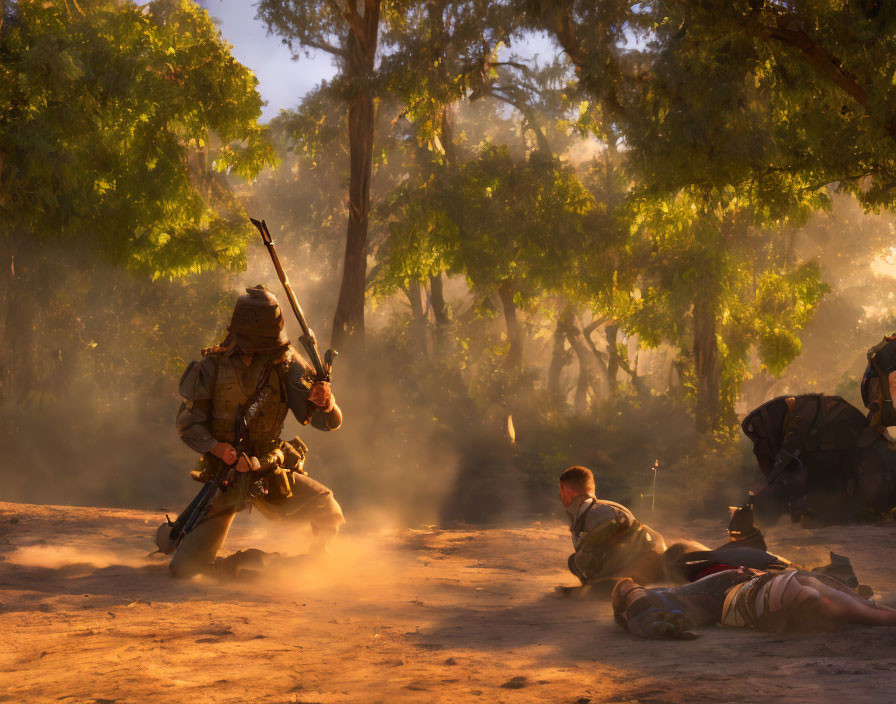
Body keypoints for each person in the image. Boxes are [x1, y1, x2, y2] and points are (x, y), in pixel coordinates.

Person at [156, 284, 345, 579]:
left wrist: (327, 402)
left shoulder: (287, 365)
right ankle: (240, 566)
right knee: (185, 569)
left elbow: (326, 422)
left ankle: (315, 563)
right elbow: (188, 423)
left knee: (327, 507)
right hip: (226, 475)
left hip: (268, 469)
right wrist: (220, 450)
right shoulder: (213, 366)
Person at [612, 566, 896, 639]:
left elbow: (627, 586)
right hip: (756, 589)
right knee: (858, 608)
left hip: (753, 588)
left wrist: (637, 608)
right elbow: (626, 587)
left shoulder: (688, 595)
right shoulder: (684, 597)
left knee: (860, 609)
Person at [559, 466, 668, 590]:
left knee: (576, 561)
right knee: (577, 560)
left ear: (565, 489)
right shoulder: (608, 506)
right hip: (653, 554)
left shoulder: (593, 513)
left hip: (639, 566)